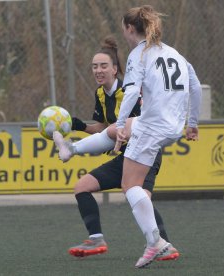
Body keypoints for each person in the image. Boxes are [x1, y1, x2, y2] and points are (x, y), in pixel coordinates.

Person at [54, 5, 201, 268]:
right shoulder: (174, 53)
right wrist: (192, 124)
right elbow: (196, 86)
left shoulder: (138, 55)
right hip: (170, 126)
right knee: (115, 132)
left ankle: (156, 243)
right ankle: (71, 150)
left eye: (124, 29)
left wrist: (121, 123)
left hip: (152, 126)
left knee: (130, 186)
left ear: (130, 29)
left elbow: (131, 92)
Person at [60, 36, 179, 261]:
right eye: (94, 66)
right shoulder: (100, 94)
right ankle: (96, 238)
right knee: (82, 187)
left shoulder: (130, 91)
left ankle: (164, 245)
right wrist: (81, 126)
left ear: (115, 69)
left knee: (139, 195)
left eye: (104, 66)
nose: (98, 70)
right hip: (124, 156)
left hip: (145, 153)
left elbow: (137, 126)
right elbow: (106, 128)